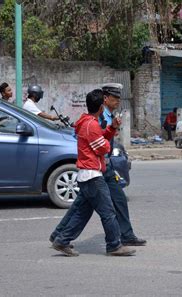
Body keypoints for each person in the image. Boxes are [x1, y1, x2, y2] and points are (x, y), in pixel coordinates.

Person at [50, 84, 146, 248]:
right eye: (114, 98)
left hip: (100, 166)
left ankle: (61, 236)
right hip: (96, 168)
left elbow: (99, 138)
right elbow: (100, 144)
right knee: (104, 210)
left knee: (94, 204)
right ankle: (114, 243)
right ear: (104, 101)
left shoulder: (101, 118)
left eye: (118, 99)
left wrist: (112, 128)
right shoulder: (96, 120)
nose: (117, 102)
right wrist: (103, 144)